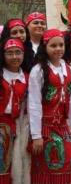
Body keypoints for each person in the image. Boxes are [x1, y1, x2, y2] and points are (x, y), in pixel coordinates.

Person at [27, 29, 71, 183]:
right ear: (45, 47)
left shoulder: (68, 69)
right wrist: (36, 135)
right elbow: (34, 104)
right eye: (53, 46)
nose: (58, 49)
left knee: (69, 166)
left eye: (61, 45)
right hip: (45, 128)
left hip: (63, 127)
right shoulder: (38, 71)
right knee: (47, 168)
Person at [0, 38, 28, 183]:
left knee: (15, 167)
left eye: (18, 52)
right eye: (9, 53)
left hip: (18, 126)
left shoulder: (28, 78)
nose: (14, 57)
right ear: (3, 55)